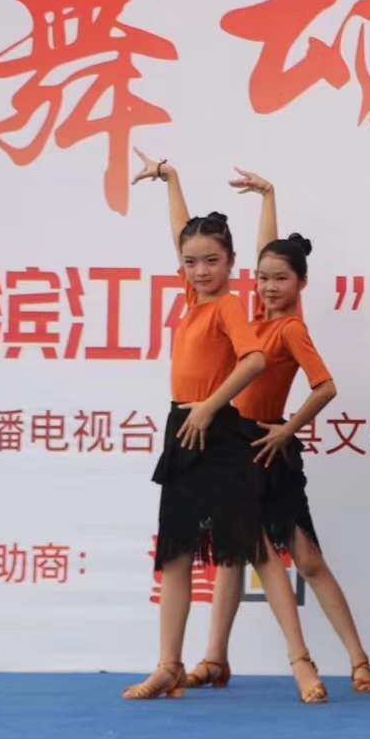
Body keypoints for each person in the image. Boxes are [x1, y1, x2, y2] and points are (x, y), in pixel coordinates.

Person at [181, 169, 370, 702]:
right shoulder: (252, 317)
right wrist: (269, 198)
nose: (269, 286)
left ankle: (359, 661)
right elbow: (265, 250)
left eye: (281, 279)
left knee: (308, 560)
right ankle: (214, 659)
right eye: (264, 278)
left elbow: (326, 387)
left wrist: (288, 430)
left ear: (301, 285)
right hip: (234, 448)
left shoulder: (291, 328)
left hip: (270, 453)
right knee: (231, 555)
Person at [122, 150, 267, 701]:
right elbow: (179, 232)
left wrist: (209, 406)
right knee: (177, 551)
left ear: (230, 262)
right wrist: (170, 179)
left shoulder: (227, 306)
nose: (200, 271)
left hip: (217, 429)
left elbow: (254, 360)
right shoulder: (193, 298)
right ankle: (168, 665)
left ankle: (218, 657)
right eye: (191, 262)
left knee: (231, 550)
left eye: (211, 261)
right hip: (182, 428)